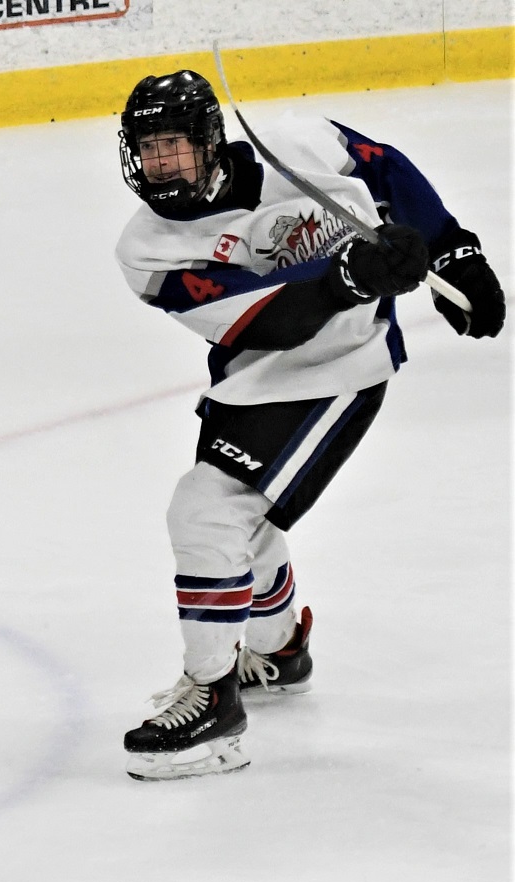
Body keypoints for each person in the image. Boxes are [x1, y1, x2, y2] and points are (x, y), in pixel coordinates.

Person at [113, 71, 504, 780]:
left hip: (341, 369)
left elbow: (381, 165)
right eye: (149, 150)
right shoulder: (147, 250)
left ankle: (214, 706)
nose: (160, 165)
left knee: (208, 510)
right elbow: (264, 320)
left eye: (173, 146)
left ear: (209, 141)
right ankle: (282, 648)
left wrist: (454, 249)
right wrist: (348, 279)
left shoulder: (295, 147)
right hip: (260, 371)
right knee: (238, 518)